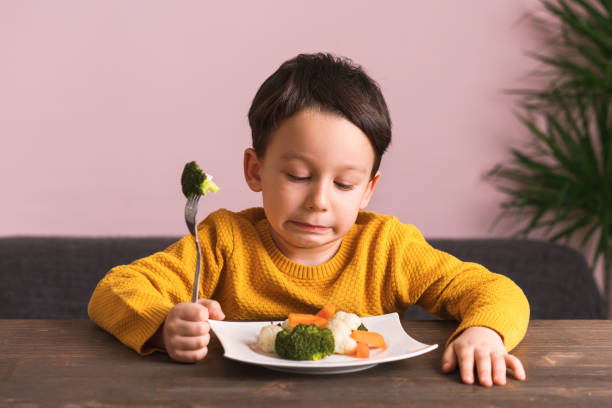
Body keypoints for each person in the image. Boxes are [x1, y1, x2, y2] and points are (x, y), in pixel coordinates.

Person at [88, 52, 529, 387]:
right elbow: (115, 290)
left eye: (344, 184)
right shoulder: (225, 240)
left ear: (368, 190)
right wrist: (165, 325)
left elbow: (494, 290)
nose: (319, 201)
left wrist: (484, 333)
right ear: (255, 171)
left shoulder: (389, 248)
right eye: (298, 175)